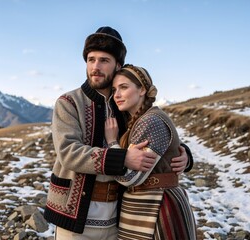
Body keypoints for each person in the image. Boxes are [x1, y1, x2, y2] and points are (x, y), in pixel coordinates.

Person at [43, 26, 194, 240]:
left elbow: (150, 131)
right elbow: (68, 153)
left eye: (104, 60)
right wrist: (121, 157)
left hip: (117, 217)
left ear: (117, 65)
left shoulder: (123, 105)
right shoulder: (69, 103)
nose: (95, 67)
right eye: (91, 59)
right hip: (74, 216)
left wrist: (183, 154)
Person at [105, 64, 197, 239]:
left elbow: (130, 177)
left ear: (142, 90)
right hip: (144, 204)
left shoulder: (150, 121)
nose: (116, 95)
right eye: (114, 89)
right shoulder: (139, 118)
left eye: (123, 87)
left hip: (158, 206)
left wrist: (111, 142)